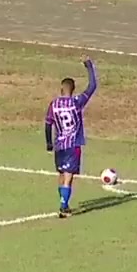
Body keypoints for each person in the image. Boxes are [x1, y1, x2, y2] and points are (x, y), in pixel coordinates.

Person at [45, 57, 97, 218]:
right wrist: (89, 66)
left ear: (61, 89)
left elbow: (48, 124)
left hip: (59, 145)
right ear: (73, 89)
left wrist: (48, 143)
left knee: (61, 174)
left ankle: (63, 202)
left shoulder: (54, 104)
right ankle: (63, 206)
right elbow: (92, 86)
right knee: (68, 176)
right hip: (72, 145)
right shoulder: (76, 102)